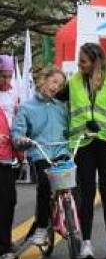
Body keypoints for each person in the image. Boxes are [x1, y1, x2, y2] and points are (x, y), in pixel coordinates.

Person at [63, 42, 106, 259]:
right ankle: (86, 243)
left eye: (84, 61)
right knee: (86, 194)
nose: (80, 65)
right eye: (79, 60)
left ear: (96, 61)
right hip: (82, 143)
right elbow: (55, 97)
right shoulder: (73, 82)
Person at [12, 67, 69, 246]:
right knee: (45, 184)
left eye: (60, 85)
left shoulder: (62, 107)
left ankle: (72, 221)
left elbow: (70, 129)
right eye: (54, 82)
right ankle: (42, 227)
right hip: (40, 152)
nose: (56, 87)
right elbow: (17, 132)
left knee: (72, 183)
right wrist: (21, 139)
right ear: (43, 80)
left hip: (61, 151)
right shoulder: (26, 107)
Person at [0, 55, 19, 259]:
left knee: (9, 200)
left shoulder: (13, 95)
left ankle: (5, 241)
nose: (6, 81)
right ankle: (4, 245)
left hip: (8, 154)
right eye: (2, 76)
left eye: (9, 76)